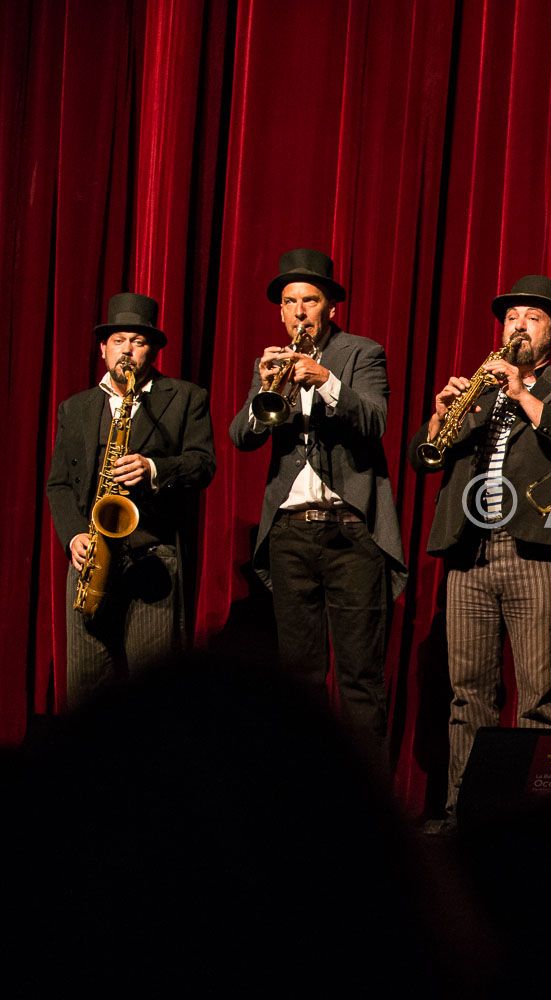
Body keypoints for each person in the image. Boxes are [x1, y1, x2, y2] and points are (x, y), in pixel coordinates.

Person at [411, 274, 551, 818]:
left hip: (533, 552)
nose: (518, 325)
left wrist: (522, 394)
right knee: (468, 693)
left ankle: (541, 821)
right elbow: (423, 457)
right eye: (511, 317)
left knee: (540, 695)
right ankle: (463, 811)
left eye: (532, 318)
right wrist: (441, 415)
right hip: (469, 552)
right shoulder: (477, 389)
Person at [228, 249, 405, 757]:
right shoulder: (272, 361)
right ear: (281, 312)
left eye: (309, 300)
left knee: (359, 677)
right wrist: (266, 388)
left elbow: (375, 420)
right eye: (290, 302)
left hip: (350, 531)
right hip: (290, 533)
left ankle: (365, 796)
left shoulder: (362, 352)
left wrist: (326, 381)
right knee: (298, 678)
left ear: (330, 308)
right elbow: (241, 436)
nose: (299, 311)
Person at [46, 292, 215, 702]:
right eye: (119, 340)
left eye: (138, 342)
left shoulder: (185, 397)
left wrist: (153, 468)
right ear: (103, 348)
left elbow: (202, 465)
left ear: (152, 351)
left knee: (153, 693)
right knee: (86, 692)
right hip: (91, 558)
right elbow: (59, 484)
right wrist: (73, 536)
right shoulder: (75, 408)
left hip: (152, 557)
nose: (127, 350)